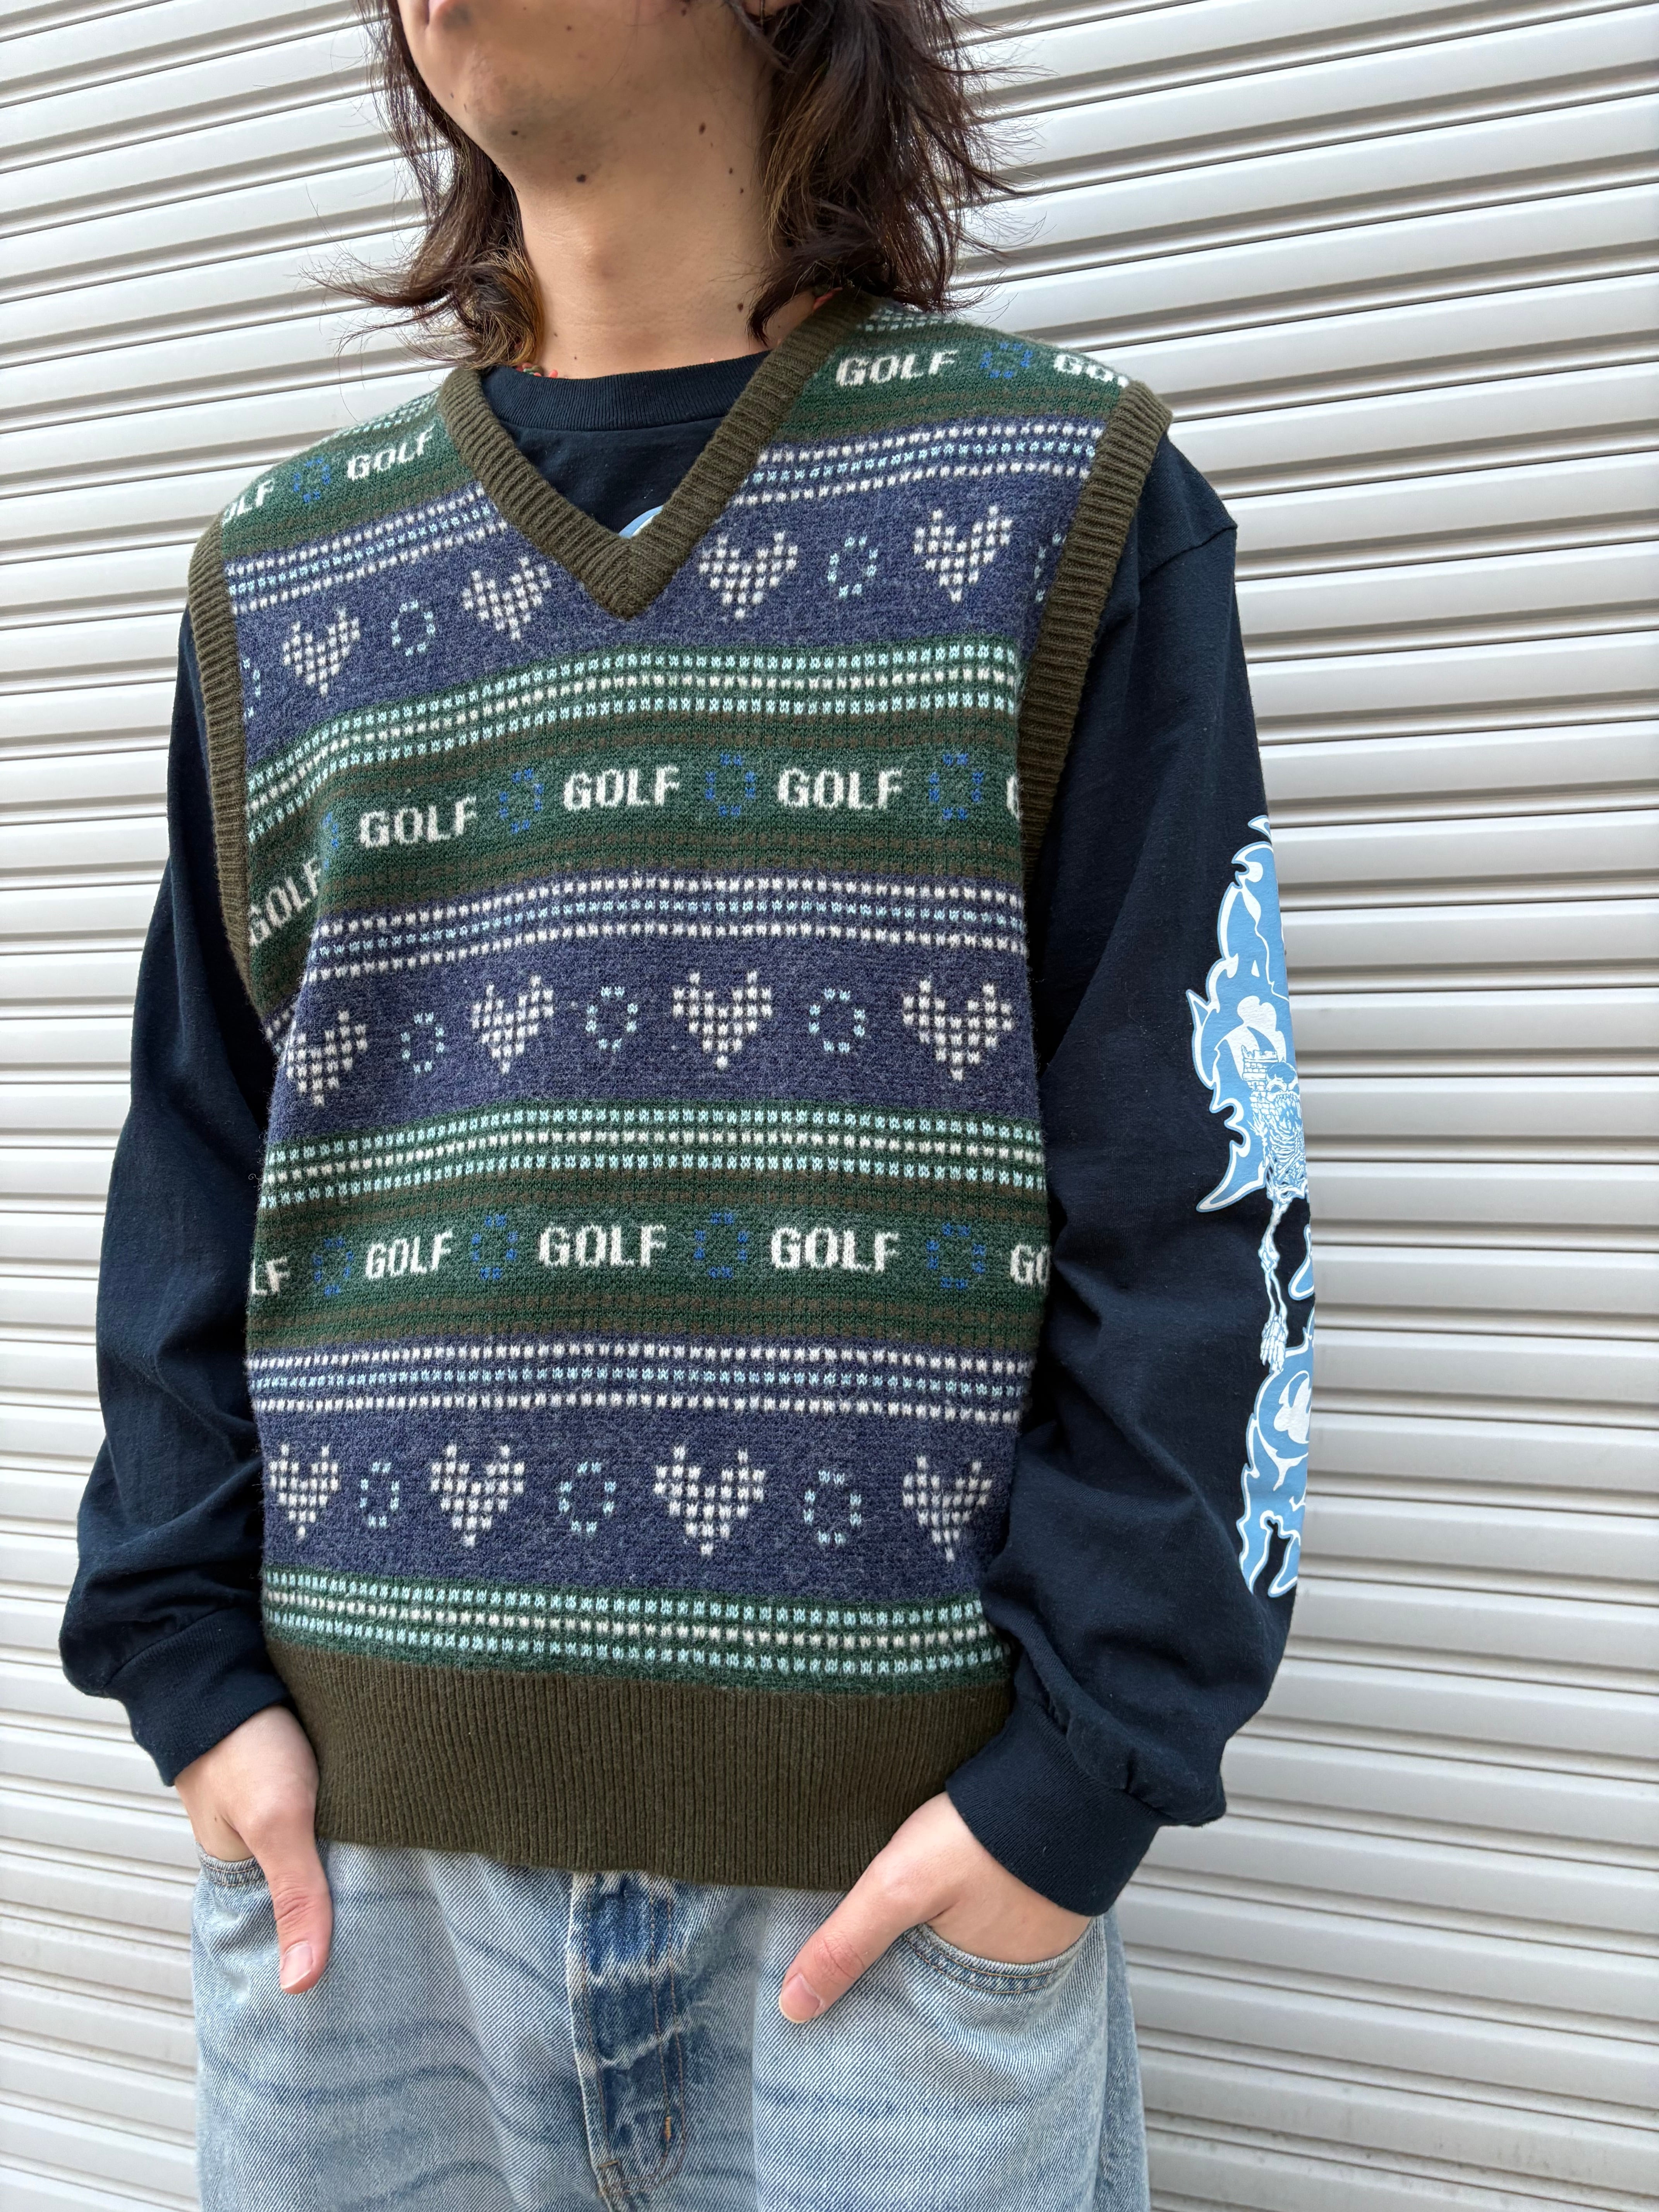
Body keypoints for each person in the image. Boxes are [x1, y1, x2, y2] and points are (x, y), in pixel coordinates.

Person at [60, 0, 1314, 2203]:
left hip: (897, 1928)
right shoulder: (288, 575)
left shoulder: (1064, 503)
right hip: (364, 1921)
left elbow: (1203, 1187)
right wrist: (191, 1683)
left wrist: (1074, 1793)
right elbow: (195, 1163)